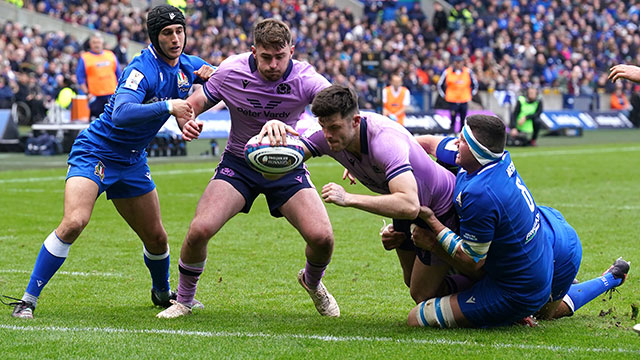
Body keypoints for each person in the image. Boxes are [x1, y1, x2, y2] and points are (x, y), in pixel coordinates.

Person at [5, 5, 216, 319]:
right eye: (167, 33)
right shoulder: (140, 68)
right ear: (154, 38)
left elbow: (223, 82)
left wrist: (208, 87)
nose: (175, 39)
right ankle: (27, 300)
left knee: (157, 238)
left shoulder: (190, 66)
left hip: (132, 161)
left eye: (179, 31)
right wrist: (170, 107)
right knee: (75, 221)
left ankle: (162, 294)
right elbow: (122, 112)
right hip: (96, 152)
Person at [156, 18, 339, 319]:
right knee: (199, 229)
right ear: (253, 51)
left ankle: (313, 282)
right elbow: (193, 104)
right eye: (266, 57)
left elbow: (337, 112)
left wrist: (302, 132)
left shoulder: (307, 79)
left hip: (286, 165)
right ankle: (185, 300)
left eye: (280, 57)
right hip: (239, 165)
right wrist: (186, 120)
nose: (273, 64)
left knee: (322, 238)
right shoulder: (231, 71)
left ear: (292, 51)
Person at [405, 115, 629, 328]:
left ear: (476, 150)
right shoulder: (488, 159)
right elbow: (428, 144)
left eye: (462, 140)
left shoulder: (481, 192)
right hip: (548, 233)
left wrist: (432, 229)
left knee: (418, 317)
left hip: (542, 267)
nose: (455, 143)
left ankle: (609, 279)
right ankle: (607, 277)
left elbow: (472, 261)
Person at [299, 84, 469, 303]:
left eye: (334, 127)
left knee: (422, 293)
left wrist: (349, 198)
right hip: (404, 204)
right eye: (323, 126)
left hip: (438, 208)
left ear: (355, 122)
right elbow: (292, 152)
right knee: (411, 280)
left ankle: (490, 291)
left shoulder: (383, 140)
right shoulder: (335, 134)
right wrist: (274, 129)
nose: (327, 135)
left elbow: (410, 205)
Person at [76, 32, 122, 119]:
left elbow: (119, 75)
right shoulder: (85, 58)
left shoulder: (110, 55)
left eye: (98, 42)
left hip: (112, 96)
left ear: (102, 43)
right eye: (94, 42)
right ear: (90, 44)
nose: (96, 45)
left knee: (113, 121)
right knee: (96, 123)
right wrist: (87, 93)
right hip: (96, 97)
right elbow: (80, 77)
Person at [437, 56, 478, 134]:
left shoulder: (468, 72)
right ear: (454, 62)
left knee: (463, 119)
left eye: (460, 62)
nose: (458, 64)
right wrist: (445, 95)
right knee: (452, 119)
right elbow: (440, 85)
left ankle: (462, 135)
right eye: (457, 62)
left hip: (464, 99)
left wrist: (470, 94)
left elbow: (475, 84)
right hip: (452, 100)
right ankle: (451, 134)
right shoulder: (447, 72)